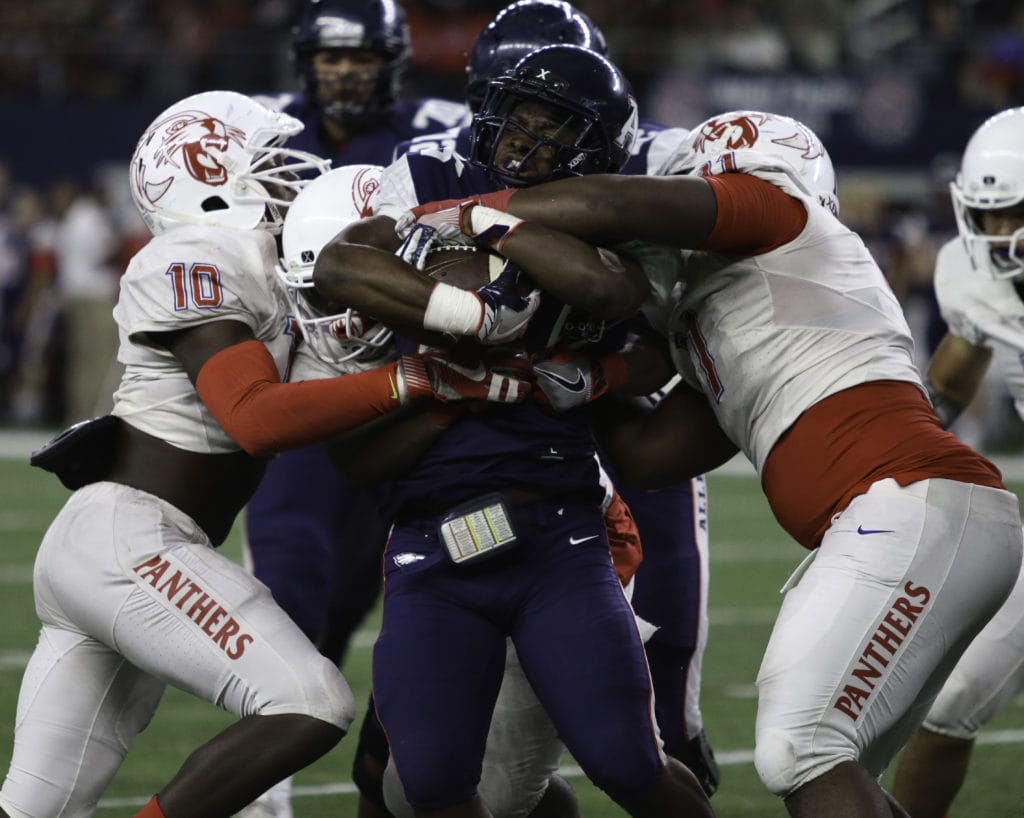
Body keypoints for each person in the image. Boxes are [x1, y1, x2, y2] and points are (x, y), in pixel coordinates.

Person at [395, 109, 1024, 818]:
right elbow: (647, 457)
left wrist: (470, 213)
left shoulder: (781, 215)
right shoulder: (725, 313)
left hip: (910, 508)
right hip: (923, 519)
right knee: (832, 767)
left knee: (800, 751)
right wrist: (584, 377)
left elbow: (612, 203)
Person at [0, 90, 527, 818]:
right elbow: (253, 418)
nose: (290, 176)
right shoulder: (196, 253)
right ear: (212, 183)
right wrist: (411, 379)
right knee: (309, 702)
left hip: (131, 549)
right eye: (269, 165)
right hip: (127, 541)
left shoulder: (271, 275)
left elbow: (340, 430)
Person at [314, 44, 716, 818]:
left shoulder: (601, 215)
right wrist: (467, 336)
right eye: (520, 120)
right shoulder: (427, 174)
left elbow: (611, 289)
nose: (525, 141)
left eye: (553, 130)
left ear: (592, 151)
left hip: (556, 532)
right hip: (430, 542)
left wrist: (486, 223)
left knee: (627, 761)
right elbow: (339, 263)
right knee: (425, 782)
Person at [888, 106, 1024, 818]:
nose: (1002, 237)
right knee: (952, 703)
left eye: (1017, 215)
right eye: (990, 216)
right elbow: (950, 378)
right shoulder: (971, 274)